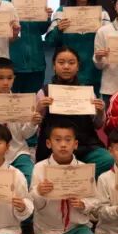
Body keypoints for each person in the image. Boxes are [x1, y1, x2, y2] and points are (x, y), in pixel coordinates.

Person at [30, 117, 108, 234]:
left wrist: (83, 204)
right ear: (48, 143)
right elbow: (31, 202)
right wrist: (39, 192)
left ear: (76, 144)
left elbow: (95, 199)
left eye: (68, 140)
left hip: (76, 225)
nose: (63, 145)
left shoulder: (84, 170)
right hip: (49, 227)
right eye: (58, 140)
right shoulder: (39, 168)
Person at [0, 56, 41, 234]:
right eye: (0, 78)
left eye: (9, 78)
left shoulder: (20, 102)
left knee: (30, 176)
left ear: (14, 78)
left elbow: (24, 134)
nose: (5, 82)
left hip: (17, 151)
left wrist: (33, 123)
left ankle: (27, 225)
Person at [35, 47, 113, 177]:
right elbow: (36, 126)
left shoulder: (86, 92)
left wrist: (100, 112)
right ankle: (75, 179)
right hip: (56, 146)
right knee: (42, 170)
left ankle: (76, 180)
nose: (66, 67)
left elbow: (97, 125)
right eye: (61, 62)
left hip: (84, 144)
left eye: (71, 63)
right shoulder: (44, 93)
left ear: (77, 67)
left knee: (107, 159)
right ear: (54, 66)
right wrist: (38, 110)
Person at [44, 0, 110, 93]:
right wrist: (58, 29)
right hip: (66, 74)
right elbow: (49, 41)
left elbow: (109, 43)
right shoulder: (61, 12)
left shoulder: (101, 13)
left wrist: (102, 32)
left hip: (92, 73)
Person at [0, 0, 52, 94]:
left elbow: (42, 30)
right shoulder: (2, 0)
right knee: (10, 102)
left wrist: (47, 17)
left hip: (36, 62)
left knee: (33, 102)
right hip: (11, 62)